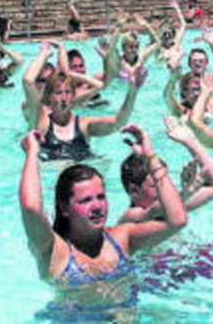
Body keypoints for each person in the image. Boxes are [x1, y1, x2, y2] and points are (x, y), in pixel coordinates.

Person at [19, 128, 187, 319]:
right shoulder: (53, 251)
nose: (97, 206)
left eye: (101, 197)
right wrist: (32, 153)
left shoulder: (123, 239)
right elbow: (31, 207)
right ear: (64, 208)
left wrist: (150, 157)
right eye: (85, 200)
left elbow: (177, 220)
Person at [119, 115, 213, 228]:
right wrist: (187, 192)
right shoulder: (130, 218)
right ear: (134, 190)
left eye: (166, 181)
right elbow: (153, 211)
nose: (165, 188)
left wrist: (191, 142)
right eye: (157, 184)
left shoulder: (174, 210)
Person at [29, 58, 142, 161]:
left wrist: (132, 92)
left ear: (73, 95)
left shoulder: (84, 124)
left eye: (68, 92)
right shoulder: (42, 122)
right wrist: (44, 54)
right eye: (58, 93)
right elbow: (28, 81)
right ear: (50, 96)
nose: (63, 98)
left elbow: (119, 122)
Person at [164, 28, 213, 117]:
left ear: (206, 63)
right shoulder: (184, 80)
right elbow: (168, 95)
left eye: (201, 61)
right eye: (195, 61)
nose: (198, 63)